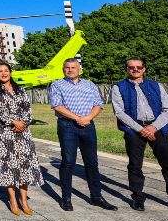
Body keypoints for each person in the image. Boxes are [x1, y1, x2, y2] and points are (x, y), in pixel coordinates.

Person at [49, 58, 117, 211]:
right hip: (67, 126)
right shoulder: (57, 85)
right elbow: (57, 106)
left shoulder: (89, 84)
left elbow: (98, 104)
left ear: (79, 69)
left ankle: (96, 197)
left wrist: (88, 118)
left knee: (92, 162)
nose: (70, 70)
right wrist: (77, 118)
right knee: (68, 161)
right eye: (67, 67)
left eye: (73, 67)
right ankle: (66, 198)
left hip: (88, 125)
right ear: (63, 69)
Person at [111, 58, 168, 210]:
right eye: (131, 67)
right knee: (135, 166)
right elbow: (119, 112)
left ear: (144, 69)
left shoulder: (156, 85)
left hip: (157, 128)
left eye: (139, 67)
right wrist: (141, 129)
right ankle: (138, 198)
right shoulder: (118, 87)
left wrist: (153, 127)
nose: (135, 69)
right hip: (134, 130)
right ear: (127, 69)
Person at [0, 62, 44, 216]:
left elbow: (27, 109)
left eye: (6, 71)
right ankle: (12, 199)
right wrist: (14, 121)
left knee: (25, 165)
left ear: (10, 73)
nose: (3, 73)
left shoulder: (20, 89)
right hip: (4, 133)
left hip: (23, 133)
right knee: (8, 167)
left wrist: (23, 123)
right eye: (0, 71)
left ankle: (24, 200)